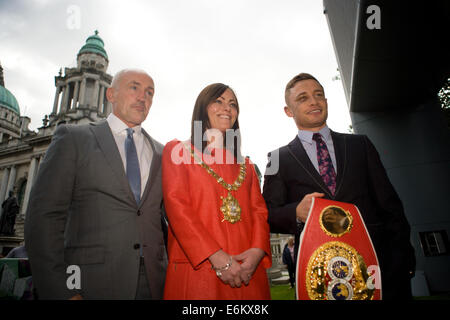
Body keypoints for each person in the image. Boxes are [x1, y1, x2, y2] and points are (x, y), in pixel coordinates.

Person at [262, 72, 416, 300]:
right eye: (303, 98)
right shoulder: (276, 158)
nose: (314, 101)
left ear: (325, 101)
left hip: (377, 264)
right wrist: (295, 212)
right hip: (320, 275)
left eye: (318, 95)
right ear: (289, 111)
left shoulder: (360, 144)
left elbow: (391, 206)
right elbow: (268, 214)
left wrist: (401, 260)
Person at [24, 69, 167, 300]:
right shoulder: (73, 138)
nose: (143, 97)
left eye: (150, 92)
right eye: (134, 87)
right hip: (89, 284)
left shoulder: (163, 153)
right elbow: (44, 219)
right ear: (111, 94)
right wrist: (62, 290)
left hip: (153, 284)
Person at [162, 83, 271, 299]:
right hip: (200, 272)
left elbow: (259, 212)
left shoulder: (246, 165)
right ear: (203, 107)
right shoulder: (177, 151)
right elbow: (177, 208)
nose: (227, 108)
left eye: (232, 104)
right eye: (218, 101)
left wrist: (257, 251)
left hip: (247, 271)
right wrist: (217, 257)